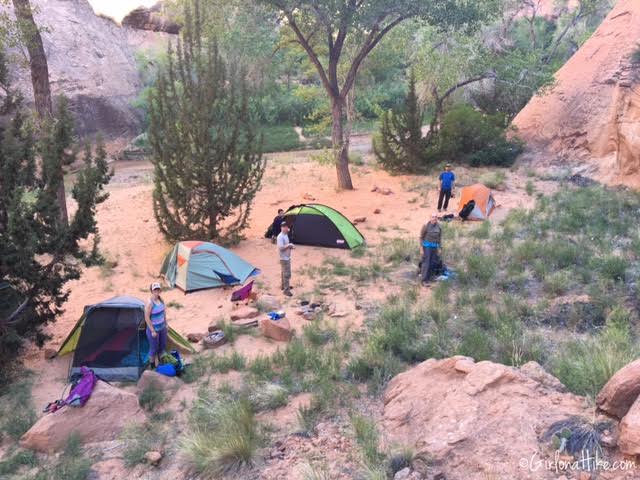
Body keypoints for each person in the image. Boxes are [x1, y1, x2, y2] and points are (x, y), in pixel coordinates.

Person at [145, 282, 168, 367]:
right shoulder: (150, 303)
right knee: (153, 349)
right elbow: (146, 318)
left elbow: (164, 313)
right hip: (154, 330)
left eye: (158, 289)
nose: (157, 291)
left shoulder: (161, 300)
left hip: (162, 328)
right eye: (155, 289)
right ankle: (152, 366)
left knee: (162, 346)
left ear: (160, 290)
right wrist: (152, 330)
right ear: (152, 291)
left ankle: (160, 364)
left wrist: (166, 324)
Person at [419, 214, 442, 285]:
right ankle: (424, 280)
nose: (434, 218)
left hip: (435, 247)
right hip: (427, 247)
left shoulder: (439, 226)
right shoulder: (426, 225)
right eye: (433, 217)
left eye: (436, 217)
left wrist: (440, 248)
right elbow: (421, 237)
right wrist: (421, 248)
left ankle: (430, 277)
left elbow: (439, 238)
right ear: (430, 218)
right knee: (426, 262)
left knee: (433, 262)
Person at [277, 221, 294, 297]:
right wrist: (289, 245)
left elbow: (286, 244)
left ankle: (283, 286)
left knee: (283, 272)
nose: (288, 229)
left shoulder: (285, 234)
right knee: (287, 274)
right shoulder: (280, 237)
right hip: (284, 258)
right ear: (283, 228)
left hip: (286, 257)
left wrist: (290, 246)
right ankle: (286, 291)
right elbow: (280, 248)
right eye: (287, 227)